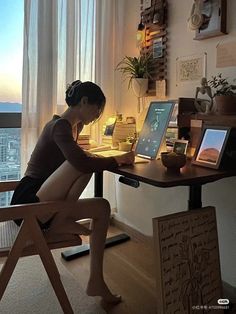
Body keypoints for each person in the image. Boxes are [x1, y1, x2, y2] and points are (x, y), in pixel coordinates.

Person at [11, 80, 135, 304]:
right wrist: (116, 159)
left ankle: (96, 280)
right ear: (84, 102)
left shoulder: (73, 128)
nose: (97, 115)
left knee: (102, 207)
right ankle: (60, 222)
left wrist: (99, 158)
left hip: (45, 202)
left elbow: (80, 162)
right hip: (27, 204)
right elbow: (79, 163)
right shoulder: (59, 126)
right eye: (97, 109)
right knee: (83, 163)